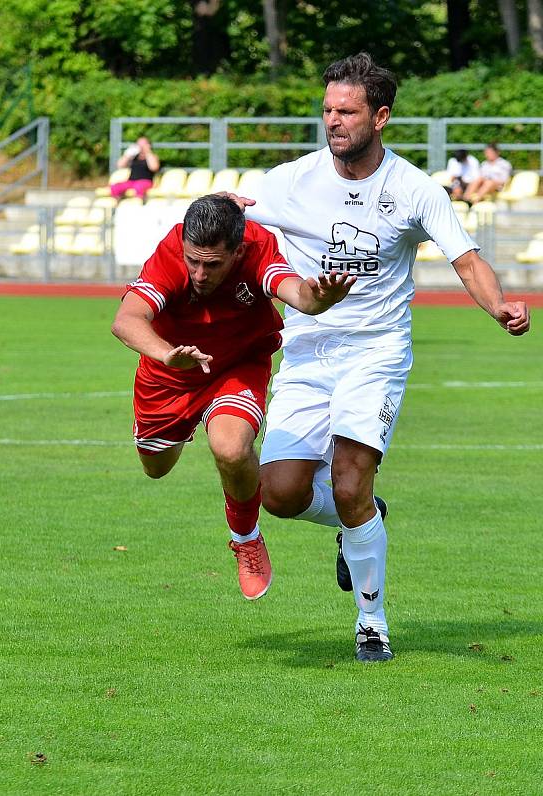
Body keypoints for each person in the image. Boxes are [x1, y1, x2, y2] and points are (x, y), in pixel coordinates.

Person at [227, 53, 530, 662]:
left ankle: (373, 624)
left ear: (381, 117)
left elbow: (465, 258)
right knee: (279, 493)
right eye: (328, 110)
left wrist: (498, 306)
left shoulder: (415, 189)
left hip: (376, 350)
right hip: (307, 347)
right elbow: (239, 225)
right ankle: (360, 518)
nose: (333, 121)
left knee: (348, 479)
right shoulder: (291, 180)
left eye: (347, 111)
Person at [111, 194, 355, 602]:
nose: (200, 273)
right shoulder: (173, 251)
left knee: (230, 446)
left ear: (237, 249)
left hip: (236, 362)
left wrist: (318, 299)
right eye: (194, 261)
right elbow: (126, 320)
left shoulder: (256, 247)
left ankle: (246, 539)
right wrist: (168, 354)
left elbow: (295, 292)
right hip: (170, 369)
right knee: (156, 468)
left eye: (213, 264)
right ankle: (181, 428)